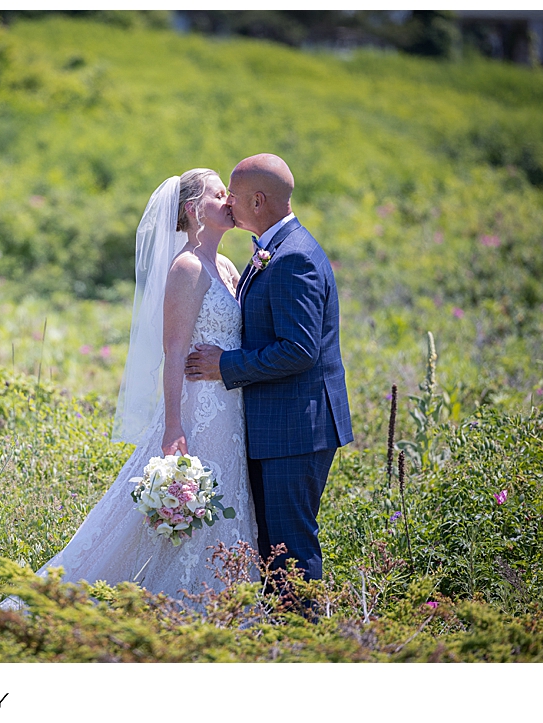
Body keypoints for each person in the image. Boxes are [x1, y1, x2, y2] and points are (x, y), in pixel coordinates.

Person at [27, 169, 260, 600]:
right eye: (218, 194)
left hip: (231, 406)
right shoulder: (187, 268)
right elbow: (174, 352)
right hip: (197, 407)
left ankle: (222, 601)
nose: (229, 200)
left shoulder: (225, 265)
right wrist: (174, 425)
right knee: (184, 501)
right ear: (194, 210)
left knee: (226, 501)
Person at [186, 154, 353, 583]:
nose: (228, 205)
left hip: (295, 429)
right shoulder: (273, 249)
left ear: (258, 201)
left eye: (234, 196)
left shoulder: (292, 257)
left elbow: (299, 350)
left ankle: (302, 641)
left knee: (290, 546)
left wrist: (226, 365)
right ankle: (282, 635)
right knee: (272, 547)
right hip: (280, 426)